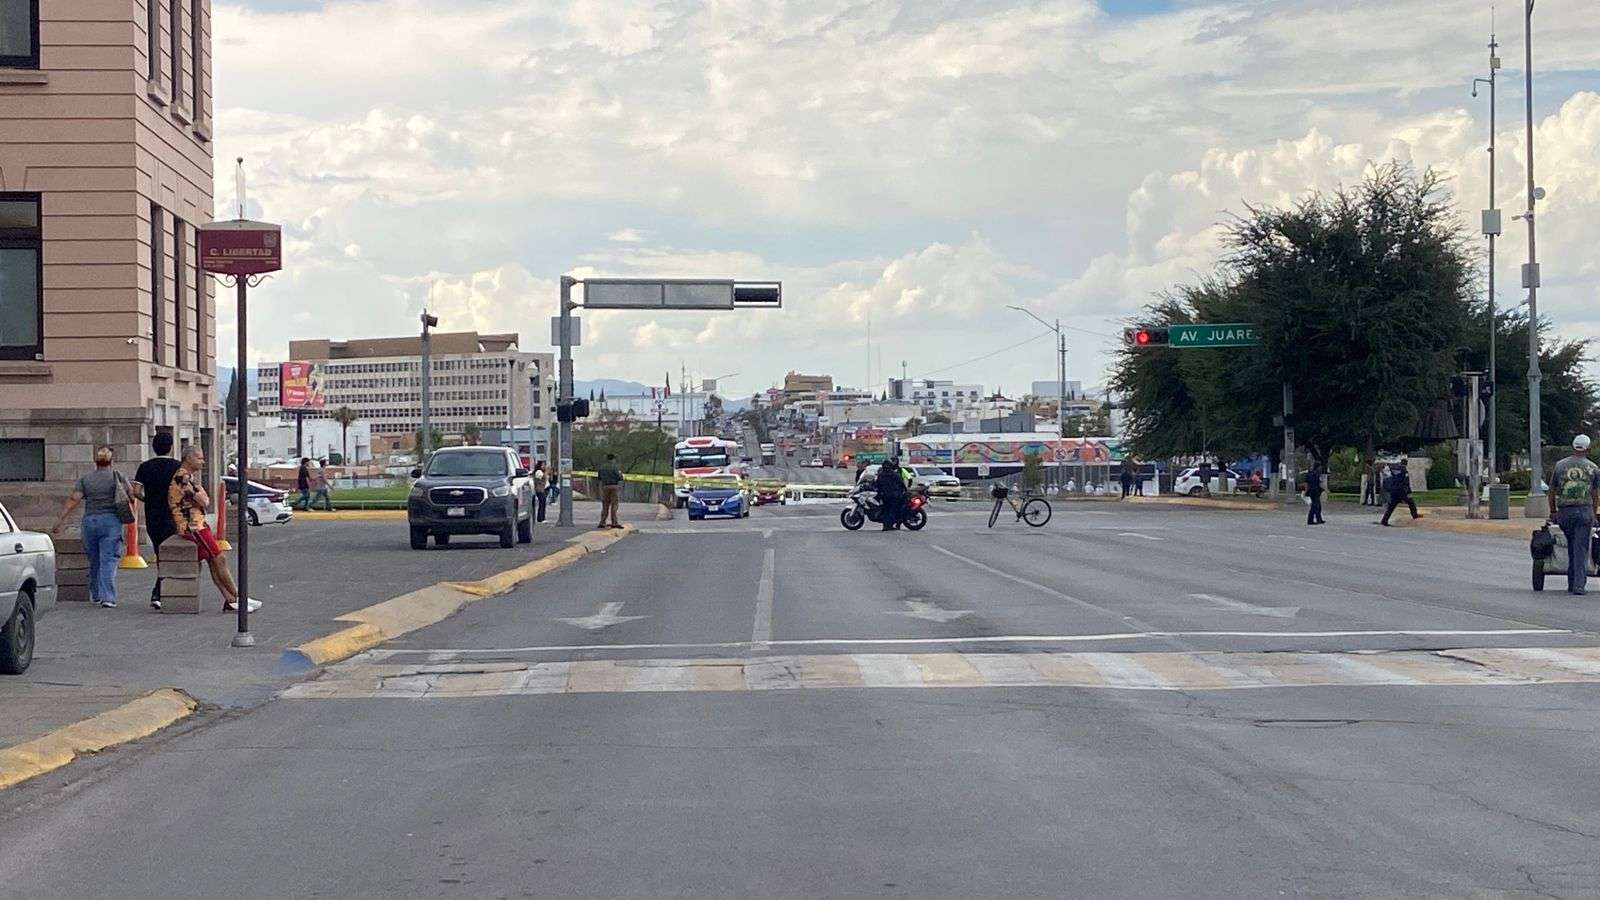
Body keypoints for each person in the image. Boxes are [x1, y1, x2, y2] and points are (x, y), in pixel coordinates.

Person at [170, 446, 260, 613]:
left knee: (213, 561)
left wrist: (201, 497)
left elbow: (205, 499)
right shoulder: (183, 477)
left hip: (197, 523)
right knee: (219, 558)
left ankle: (230, 599)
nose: (203, 462)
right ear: (188, 458)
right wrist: (200, 496)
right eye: (199, 458)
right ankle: (238, 597)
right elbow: (204, 501)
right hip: (192, 526)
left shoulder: (189, 477)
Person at [52, 447, 130, 608]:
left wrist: (60, 520)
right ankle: (107, 597)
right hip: (111, 521)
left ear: (96, 462)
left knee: (94, 559)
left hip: (90, 521)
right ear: (111, 461)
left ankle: (96, 594)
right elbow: (131, 494)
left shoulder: (86, 479)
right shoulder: (118, 476)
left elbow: (74, 499)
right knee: (108, 559)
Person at [132, 432, 181, 610]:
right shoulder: (177, 466)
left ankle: (160, 590)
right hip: (172, 514)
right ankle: (160, 590)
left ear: (153, 448)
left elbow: (136, 491)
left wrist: (148, 499)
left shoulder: (145, 467)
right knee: (169, 554)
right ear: (171, 447)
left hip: (152, 515)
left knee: (159, 551)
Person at [1547, 434, 1600, 596]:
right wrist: (1594, 513)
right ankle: (1578, 585)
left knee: (1572, 545)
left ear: (1573, 447)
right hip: (1584, 511)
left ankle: (1572, 581)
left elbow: (1552, 491)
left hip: (1565, 512)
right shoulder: (1593, 468)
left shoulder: (1560, 465)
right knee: (1580, 548)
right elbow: (1595, 495)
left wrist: (1553, 511)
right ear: (1587, 449)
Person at [875, 456, 908, 531]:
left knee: (886, 510)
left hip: (884, 495)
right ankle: (889, 525)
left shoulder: (881, 475)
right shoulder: (894, 474)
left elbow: (878, 485)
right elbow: (901, 483)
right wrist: (905, 490)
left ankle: (885, 526)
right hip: (894, 495)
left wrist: (879, 494)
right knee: (892, 510)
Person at [597, 454, 624, 529]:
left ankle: (602, 522)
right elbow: (620, 478)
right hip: (614, 487)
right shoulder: (615, 467)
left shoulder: (602, 467)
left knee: (605, 505)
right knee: (614, 505)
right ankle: (614, 522)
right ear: (613, 459)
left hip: (605, 487)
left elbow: (599, 478)